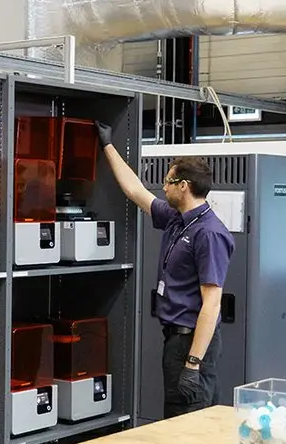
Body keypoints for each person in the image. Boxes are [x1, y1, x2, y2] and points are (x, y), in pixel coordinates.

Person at [96, 123, 234, 417]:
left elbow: (212, 303)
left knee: (190, 423)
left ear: (183, 186)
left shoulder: (208, 234)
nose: (163, 187)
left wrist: (193, 364)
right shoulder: (176, 218)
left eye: (168, 182)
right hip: (174, 339)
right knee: (176, 417)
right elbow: (135, 190)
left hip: (191, 343)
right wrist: (107, 145)